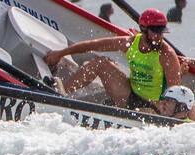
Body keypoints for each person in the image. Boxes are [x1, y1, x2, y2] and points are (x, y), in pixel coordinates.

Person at [46, 8, 182, 110]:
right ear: (142, 28)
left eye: (161, 31)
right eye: (154, 31)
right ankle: (60, 95)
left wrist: (160, 107)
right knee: (100, 63)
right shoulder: (130, 43)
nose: (158, 36)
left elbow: (176, 95)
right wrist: (60, 53)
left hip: (151, 107)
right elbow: (93, 45)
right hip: (130, 94)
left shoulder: (167, 55)